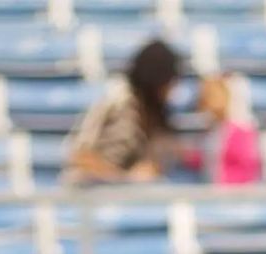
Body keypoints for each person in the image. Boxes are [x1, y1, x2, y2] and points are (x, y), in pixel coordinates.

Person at [67, 39, 184, 183]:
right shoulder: (116, 101)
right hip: (90, 193)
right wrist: (126, 178)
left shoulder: (151, 113)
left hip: (123, 195)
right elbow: (80, 158)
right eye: (170, 82)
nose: (172, 90)